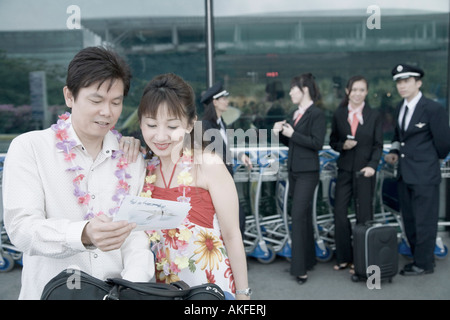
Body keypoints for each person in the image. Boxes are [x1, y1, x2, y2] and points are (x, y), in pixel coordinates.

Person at [2, 47, 154, 299]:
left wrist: (131, 286)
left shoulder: (131, 158)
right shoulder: (30, 148)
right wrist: (82, 233)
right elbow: (22, 228)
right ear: (69, 96)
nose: (107, 111)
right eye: (96, 100)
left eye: (116, 102)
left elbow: (135, 233)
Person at [137, 73, 251, 299]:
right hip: (165, 290)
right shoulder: (142, 170)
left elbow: (232, 234)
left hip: (210, 287)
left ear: (190, 124)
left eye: (171, 126)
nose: (160, 136)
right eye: (151, 124)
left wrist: (243, 295)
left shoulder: (207, 163)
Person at [385, 64, 450, 276]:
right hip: (404, 174)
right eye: (399, 82)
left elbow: (443, 144)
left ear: (418, 83)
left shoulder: (433, 108)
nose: (402, 86)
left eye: (406, 81)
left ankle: (424, 264)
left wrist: (428, 161)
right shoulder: (399, 108)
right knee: (410, 220)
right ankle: (417, 257)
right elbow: (398, 136)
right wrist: (394, 150)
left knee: (425, 221)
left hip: (424, 175)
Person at [273, 73, 326, 284]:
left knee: (297, 215)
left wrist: (292, 134)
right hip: (295, 170)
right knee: (301, 217)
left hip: (308, 173)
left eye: (293, 89)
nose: (290, 93)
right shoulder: (296, 113)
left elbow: (317, 143)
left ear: (304, 89)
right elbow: (294, 144)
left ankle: (299, 269)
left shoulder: (316, 114)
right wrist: (281, 134)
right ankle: (309, 260)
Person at [329, 76, 383, 272]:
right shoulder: (339, 114)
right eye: (354, 90)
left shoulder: (374, 115)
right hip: (344, 170)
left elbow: (378, 145)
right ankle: (344, 257)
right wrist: (342, 145)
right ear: (347, 91)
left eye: (362, 90)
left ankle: (362, 260)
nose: (358, 93)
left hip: (365, 172)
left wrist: (372, 165)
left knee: (364, 216)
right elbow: (333, 140)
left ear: (367, 92)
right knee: (340, 214)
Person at [200, 81, 252, 234]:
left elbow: (223, 149)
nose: (227, 101)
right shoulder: (205, 125)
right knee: (235, 220)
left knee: (237, 220)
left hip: (225, 178)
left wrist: (239, 155)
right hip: (217, 181)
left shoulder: (221, 123)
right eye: (223, 98)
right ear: (215, 102)